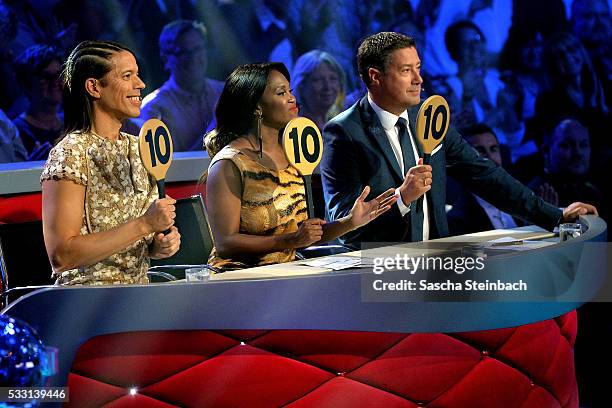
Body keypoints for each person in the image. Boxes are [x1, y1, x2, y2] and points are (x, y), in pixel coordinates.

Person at [320, 31, 597, 248]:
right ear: (375, 77)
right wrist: (402, 197)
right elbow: (343, 221)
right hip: (377, 275)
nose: (419, 79)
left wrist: (556, 217)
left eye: (418, 68)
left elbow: (485, 175)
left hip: (437, 267)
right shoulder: (344, 132)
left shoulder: (426, 117)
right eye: (406, 71)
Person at [203, 62, 396, 271]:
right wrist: (291, 240)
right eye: (281, 93)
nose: (291, 98)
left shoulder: (293, 155)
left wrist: (351, 221)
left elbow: (306, 236)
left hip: (287, 273)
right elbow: (225, 243)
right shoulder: (229, 163)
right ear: (257, 107)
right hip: (238, 277)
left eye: (290, 91)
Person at [41, 40, 180, 285]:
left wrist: (157, 246)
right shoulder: (71, 153)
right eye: (127, 76)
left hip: (139, 295)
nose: (141, 84)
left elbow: (140, 242)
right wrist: (144, 225)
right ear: (94, 87)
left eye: (137, 75)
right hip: (86, 300)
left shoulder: (140, 148)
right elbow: (62, 256)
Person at [140, 20, 223, 152]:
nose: (193, 58)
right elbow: (167, 167)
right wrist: (216, 127)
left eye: (197, 49)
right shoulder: (153, 108)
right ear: (165, 59)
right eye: (183, 52)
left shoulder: (224, 92)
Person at [447, 123, 522, 235]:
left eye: (493, 149)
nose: (490, 157)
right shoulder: (457, 220)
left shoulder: (519, 200)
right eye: (480, 151)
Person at [12, 44, 64, 160]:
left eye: (59, 75)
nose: (56, 82)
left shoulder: (71, 124)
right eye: (46, 77)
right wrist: (30, 165)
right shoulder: (16, 132)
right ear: (26, 84)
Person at [291, 50, 346, 130]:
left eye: (333, 79)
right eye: (318, 80)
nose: (328, 87)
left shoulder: (340, 124)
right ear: (301, 85)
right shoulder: (295, 129)